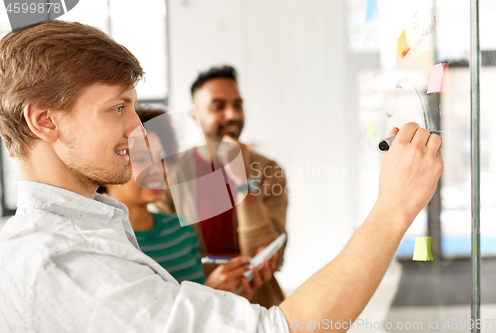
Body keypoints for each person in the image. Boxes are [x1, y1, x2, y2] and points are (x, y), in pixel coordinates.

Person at [0, 20, 443, 332]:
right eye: (118, 108)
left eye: (134, 107)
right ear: (44, 121)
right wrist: (393, 207)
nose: (138, 130)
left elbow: (265, 253)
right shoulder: (64, 262)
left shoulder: (261, 171)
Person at [101, 105, 277, 301]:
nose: (160, 171)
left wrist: (236, 296)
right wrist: (209, 291)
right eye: (142, 159)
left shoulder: (180, 229)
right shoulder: (104, 242)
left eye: (162, 159)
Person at [156, 65, 288, 308]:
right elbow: (167, 256)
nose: (232, 115)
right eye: (218, 106)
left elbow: (272, 259)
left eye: (237, 105)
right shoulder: (172, 173)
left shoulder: (270, 171)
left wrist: (244, 184)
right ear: (195, 115)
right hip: (198, 302)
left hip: (260, 305)